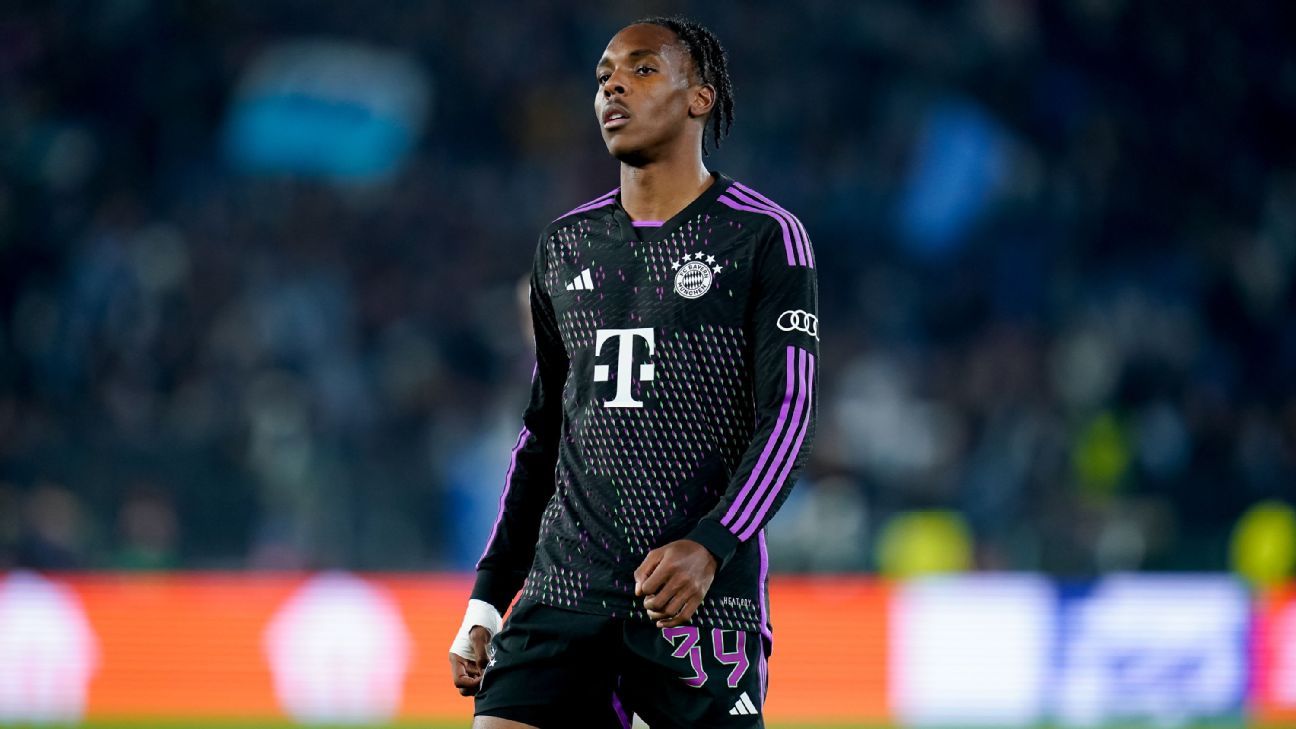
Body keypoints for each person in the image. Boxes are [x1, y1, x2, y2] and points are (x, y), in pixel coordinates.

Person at [448, 15, 818, 728]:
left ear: (700, 97)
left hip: (696, 604)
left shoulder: (763, 237)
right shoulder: (565, 245)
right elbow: (544, 438)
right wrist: (488, 601)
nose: (613, 86)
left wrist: (711, 546)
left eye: (643, 69)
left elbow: (789, 416)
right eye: (603, 77)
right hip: (563, 596)